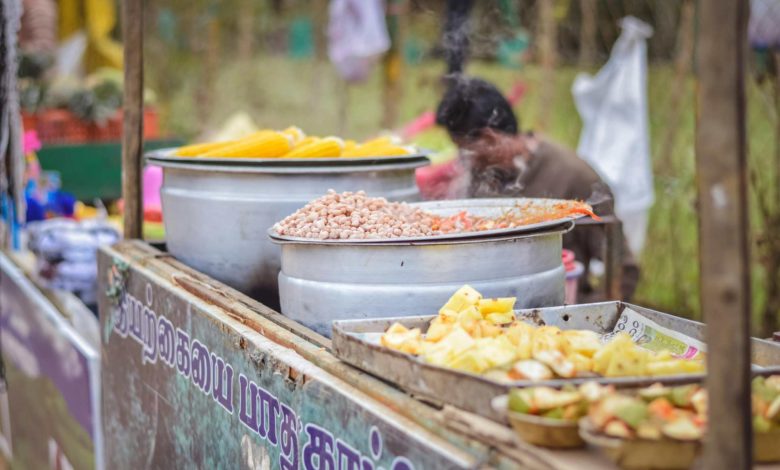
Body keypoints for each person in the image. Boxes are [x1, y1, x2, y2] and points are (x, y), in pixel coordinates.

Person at [435, 75, 639, 302]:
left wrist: (587, 318)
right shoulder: (480, 176)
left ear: (490, 138)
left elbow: (623, 270)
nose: (466, 160)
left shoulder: (573, 177)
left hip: (557, 316)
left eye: (467, 150)